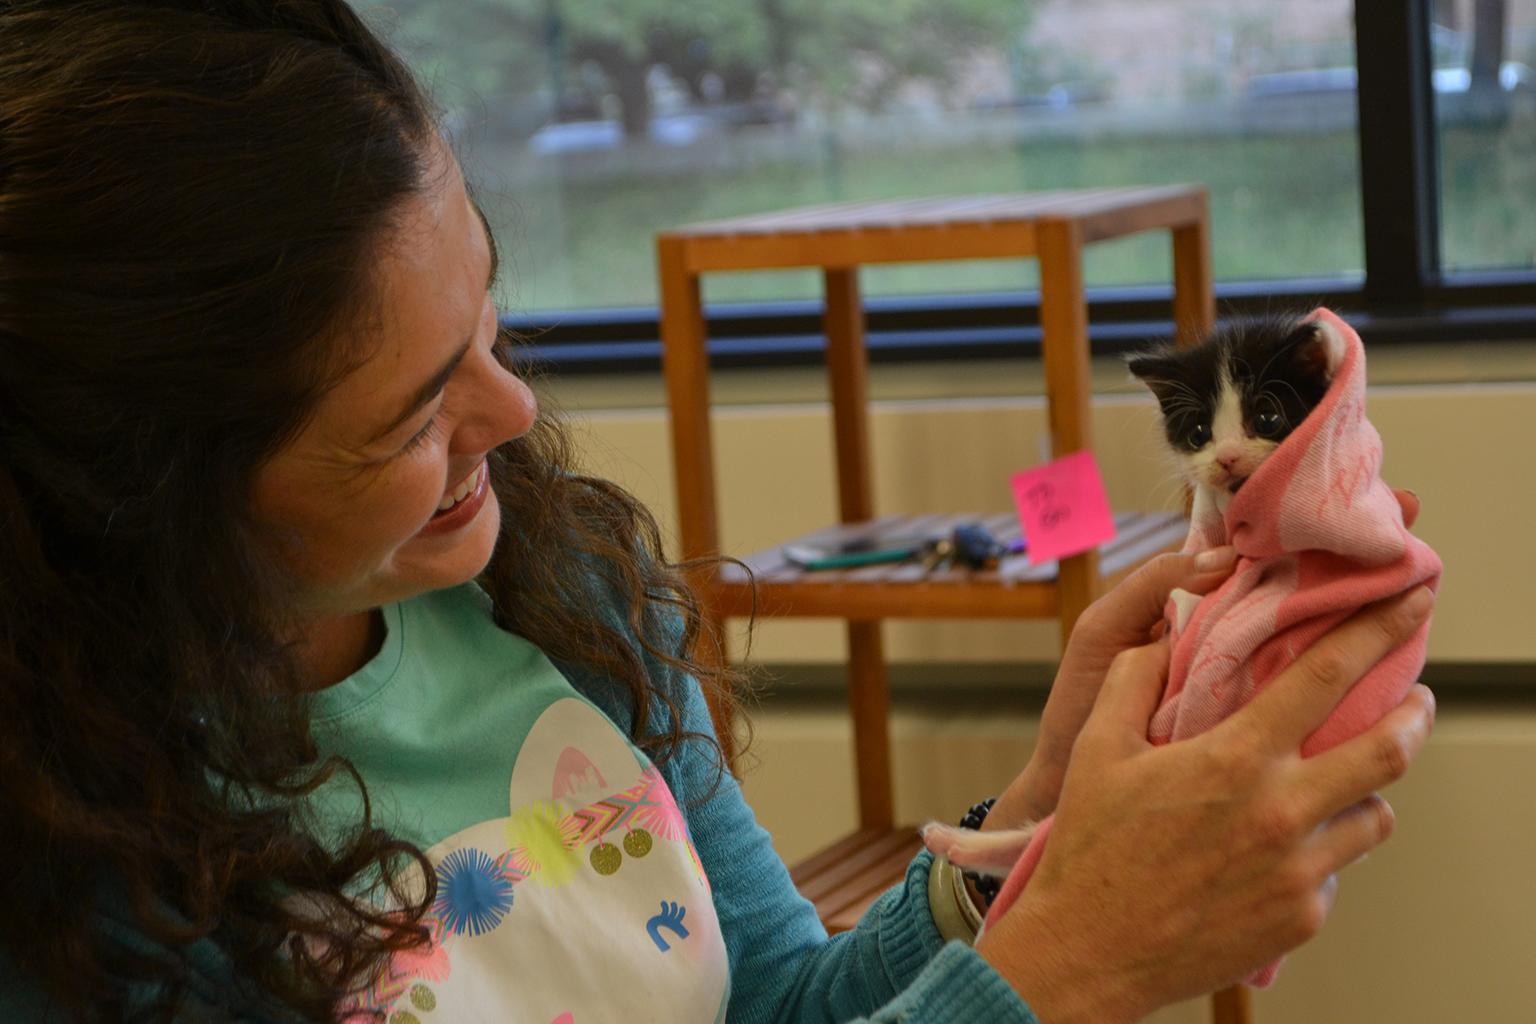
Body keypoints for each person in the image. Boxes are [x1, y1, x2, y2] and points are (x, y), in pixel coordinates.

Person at [0, 2, 1437, 1021]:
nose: (511, 417)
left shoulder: (563, 601)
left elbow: (777, 1006)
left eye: (493, 325)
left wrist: (1033, 824)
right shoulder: (71, 864)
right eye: (417, 413)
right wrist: (1067, 972)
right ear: (146, 499)